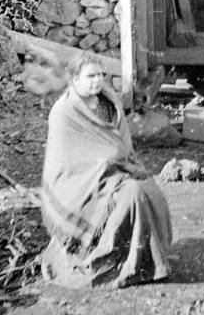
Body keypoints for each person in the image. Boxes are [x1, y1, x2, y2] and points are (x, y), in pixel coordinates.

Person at [40, 53, 172, 289]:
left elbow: (122, 143)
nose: (98, 80)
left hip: (118, 169)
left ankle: (146, 261)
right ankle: (115, 261)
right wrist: (107, 162)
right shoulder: (63, 114)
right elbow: (66, 164)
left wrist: (122, 161)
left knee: (150, 190)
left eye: (101, 75)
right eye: (90, 76)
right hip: (81, 185)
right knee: (134, 194)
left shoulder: (108, 102)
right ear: (74, 79)